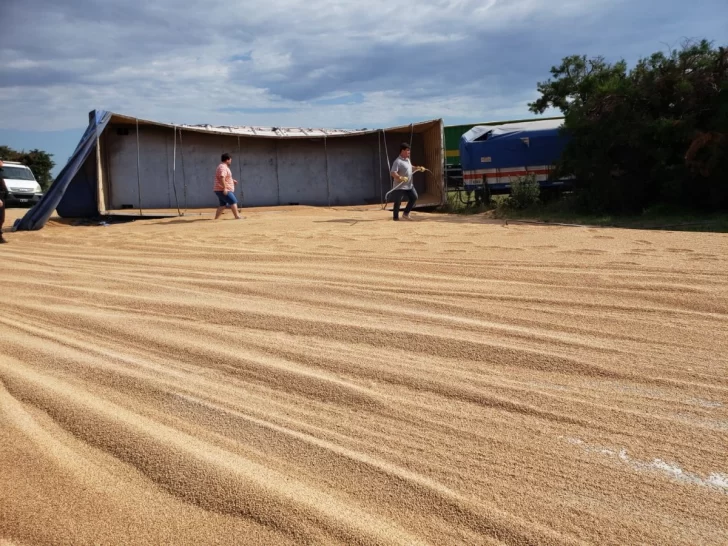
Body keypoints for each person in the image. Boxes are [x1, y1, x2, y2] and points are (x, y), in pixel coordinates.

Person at [389, 142, 423, 221]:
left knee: (414, 197)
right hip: (399, 186)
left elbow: (410, 167)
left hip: (409, 185)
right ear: (402, 151)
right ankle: (395, 218)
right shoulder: (397, 161)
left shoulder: (407, 160)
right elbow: (393, 172)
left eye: (409, 150)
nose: (409, 152)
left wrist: (418, 168)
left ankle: (405, 214)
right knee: (398, 202)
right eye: (407, 150)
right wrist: (400, 177)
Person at [213, 153, 242, 220]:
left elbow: (225, 177)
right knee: (233, 201)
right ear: (227, 160)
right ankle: (237, 216)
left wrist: (232, 180)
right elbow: (222, 177)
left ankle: (216, 219)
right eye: (230, 160)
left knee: (222, 205)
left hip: (219, 189)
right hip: (223, 189)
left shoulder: (222, 167)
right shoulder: (223, 167)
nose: (231, 161)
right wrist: (225, 188)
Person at [0, 159, 8, 243]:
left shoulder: (1, 171)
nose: (2, 162)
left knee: (1, 218)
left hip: (2, 197)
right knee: (0, 218)